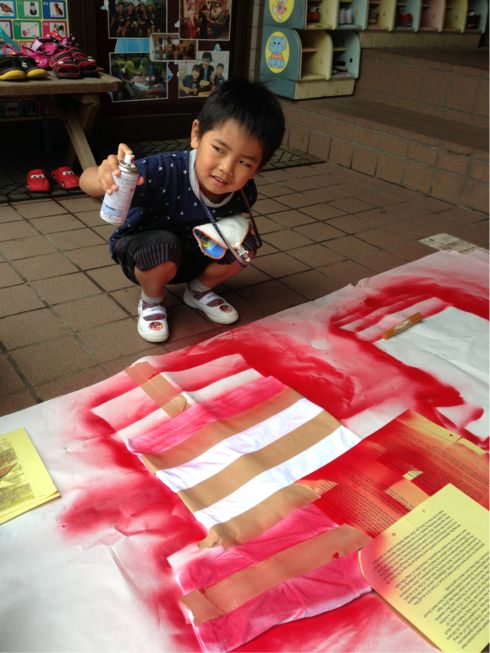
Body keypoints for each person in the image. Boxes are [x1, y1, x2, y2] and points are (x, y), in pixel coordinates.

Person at [79, 80, 285, 343]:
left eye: (244, 162)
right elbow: (85, 180)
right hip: (146, 252)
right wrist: (102, 176)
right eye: (219, 149)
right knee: (162, 246)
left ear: (259, 167)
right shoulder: (163, 170)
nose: (226, 168)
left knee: (246, 243)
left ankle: (198, 291)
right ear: (196, 134)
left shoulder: (245, 191)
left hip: (195, 254)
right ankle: (151, 301)